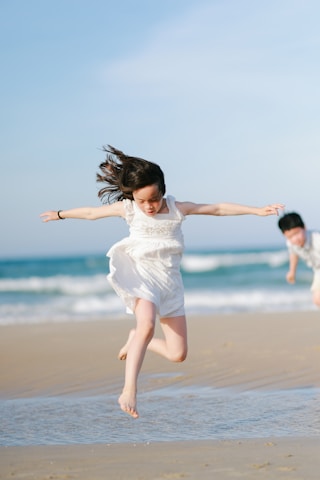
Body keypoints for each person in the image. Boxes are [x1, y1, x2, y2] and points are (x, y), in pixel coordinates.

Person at [40, 145, 284, 419]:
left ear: (162, 189)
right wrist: (60, 214)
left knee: (177, 354)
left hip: (170, 282)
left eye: (153, 199)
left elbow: (217, 208)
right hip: (140, 274)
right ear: (132, 197)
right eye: (142, 200)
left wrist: (257, 211)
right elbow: (90, 213)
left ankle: (135, 340)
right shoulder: (129, 209)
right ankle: (129, 389)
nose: (149, 206)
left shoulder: (178, 209)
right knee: (146, 324)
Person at [278, 211, 320, 308]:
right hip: (318, 269)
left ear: (304, 228)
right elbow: (293, 254)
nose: (295, 239)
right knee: (317, 299)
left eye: (296, 233)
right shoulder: (291, 243)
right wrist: (292, 271)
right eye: (290, 237)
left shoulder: (317, 239)